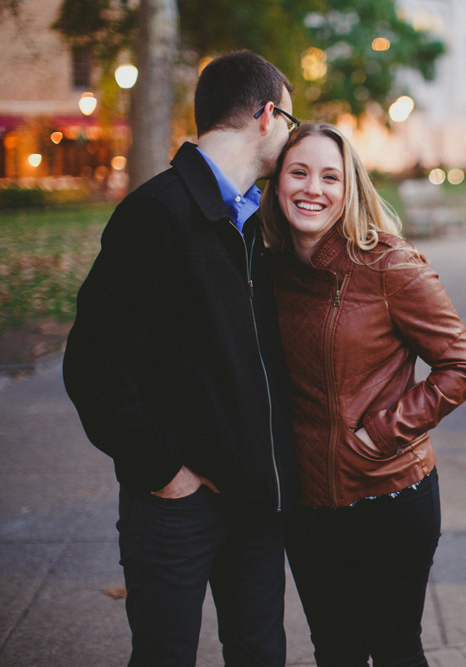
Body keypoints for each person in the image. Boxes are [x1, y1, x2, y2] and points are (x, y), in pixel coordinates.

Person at [62, 50, 299, 667]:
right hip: (176, 506)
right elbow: (93, 364)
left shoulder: (256, 222)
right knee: (165, 655)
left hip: (254, 503)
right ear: (267, 115)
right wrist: (165, 472)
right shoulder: (156, 214)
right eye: (292, 122)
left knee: (259, 653)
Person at [259, 123, 466, 666]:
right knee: (334, 650)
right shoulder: (266, 271)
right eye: (299, 172)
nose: (313, 188)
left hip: (388, 494)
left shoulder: (388, 264)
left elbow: (462, 365)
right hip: (307, 502)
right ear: (278, 182)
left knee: (393, 649)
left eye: (330, 176)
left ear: (349, 187)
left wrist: (380, 432)